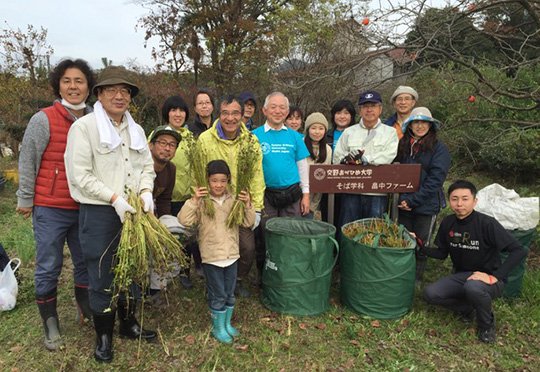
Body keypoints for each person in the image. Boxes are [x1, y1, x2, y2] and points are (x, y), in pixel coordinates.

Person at [64, 66, 156, 363]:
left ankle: (128, 324)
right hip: (101, 212)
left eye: (125, 91)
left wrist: (145, 192)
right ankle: (103, 336)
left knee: (132, 268)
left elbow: (146, 168)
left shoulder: (137, 129)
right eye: (112, 90)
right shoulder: (85, 128)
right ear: (99, 94)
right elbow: (80, 176)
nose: (120, 96)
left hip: (133, 213)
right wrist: (113, 198)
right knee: (102, 273)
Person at [16, 58, 95, 351]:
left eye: (79, 81)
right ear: (58, 85)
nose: (73, 87)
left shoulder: (93, 119)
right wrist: (26, 197)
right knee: (49, 263)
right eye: (67, 81)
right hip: (51, 206)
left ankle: (84, 304)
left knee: (85, 259)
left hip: (85, 205)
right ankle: (50, 321)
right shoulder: (44, 118)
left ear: (89, 87)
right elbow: (28, 160)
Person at [421, 180, 528, 344]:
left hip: (489, 278)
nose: (459, 204)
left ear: (474, 201)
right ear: (449, 201)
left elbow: (519, 250)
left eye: (465, 199)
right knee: (431, 294)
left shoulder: (486, 223)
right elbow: (442, 253)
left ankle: (486, 325)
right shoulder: (448, 222)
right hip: (463, 276)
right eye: (454, 199)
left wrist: (495, 277)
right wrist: (419, 246)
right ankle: (468, 309)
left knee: (473, 287)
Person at [179, 160, 255, 343]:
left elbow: (247, 223)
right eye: (214, 181)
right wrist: (195, 200)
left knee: (229, 293)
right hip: (212, 257)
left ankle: (227, 324)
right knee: (218, 294)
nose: (219, 185)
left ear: (228, 180)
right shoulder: (203, 202)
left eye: (222, 180)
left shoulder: (233, 200)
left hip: (231, 255)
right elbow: (184, 220)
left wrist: (247, 204)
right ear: (207, 181)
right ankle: (217, 328)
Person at [195, 95, 264, 297]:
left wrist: (256, 207)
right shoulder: (205, 139)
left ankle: (237, 279)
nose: (230, 118)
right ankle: (215, 286)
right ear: (219, 114)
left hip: (241, 204)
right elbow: (197, 174)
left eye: (235, 113)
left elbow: (257, 174)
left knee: (247, 248)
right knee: (213, 248)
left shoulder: (251, 140)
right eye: (225, 113)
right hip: (213, 203)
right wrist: (201, 201)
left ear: (242, 116)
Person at [252, 92, 310, 283]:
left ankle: (288, 273)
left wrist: (306, 194)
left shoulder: (295, 137)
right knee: (265, 234)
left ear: (287, 111)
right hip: (265, 195)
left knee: (291, 234)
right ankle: (265, 273)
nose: (278, 111)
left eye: (282, 107)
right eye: (273, 107)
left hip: (292, 194)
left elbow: (303, 167)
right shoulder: (254, 136)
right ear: (265, 110)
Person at [395, 107, 450, 283]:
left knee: (421, 243)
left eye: (424, 122)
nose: (420, 126)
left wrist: (413, 200)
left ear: (430, 125)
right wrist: (403, 199)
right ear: (409, 125)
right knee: (402, 241)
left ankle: (415, 281)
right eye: (416, 122)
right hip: (403, 204)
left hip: (426, 206)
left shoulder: (439, 150)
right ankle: (400, 278)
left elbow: (436, 180)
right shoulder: (403, 145)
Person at [333, 91, 399, 226]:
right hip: (351, 189)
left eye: (373, 106)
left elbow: (388, 155)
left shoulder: (390, 132)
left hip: (377, 191)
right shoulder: (349, 132)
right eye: (365, 106)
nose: (369, 110)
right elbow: (337, 157)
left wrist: (366, 159)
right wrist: (347, 160)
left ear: (380, 109)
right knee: (348, 228)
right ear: (360, 110)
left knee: (374, 230)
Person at [157, 95, 196, 288]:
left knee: (184, 237)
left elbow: (195, 166)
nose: (178, 114)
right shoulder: (158, 135)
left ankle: (184, 271)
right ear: (167, 113)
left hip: (184, 197)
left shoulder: (190, 139)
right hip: (163, 196)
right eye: (173, 110)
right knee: (164, 236)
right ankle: (162, 272)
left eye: (181, 110)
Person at [303, 112, 332, 220]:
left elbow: (323, 178)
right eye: (313, 128)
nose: (317, 132)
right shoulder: (300, 145)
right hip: (299, 196)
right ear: (308, 129)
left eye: (321, 128)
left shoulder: (327, 149)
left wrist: (313, 205)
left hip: (316, 198)